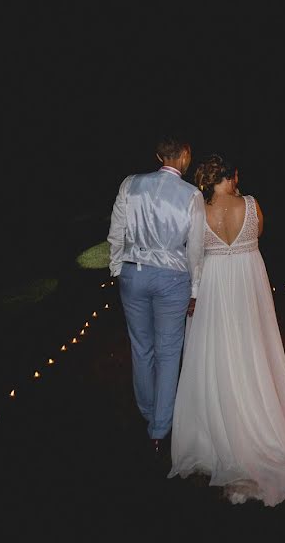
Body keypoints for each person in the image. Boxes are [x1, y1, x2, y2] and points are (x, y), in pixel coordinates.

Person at [168, 154, 285, 506]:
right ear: (233, 175)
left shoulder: (198, 209)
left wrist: (193, 292)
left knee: (215, 353)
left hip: (212, 286)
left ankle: (214, 430)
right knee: (251, 347)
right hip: (245, 284)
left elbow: (193, 254)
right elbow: (258, 234)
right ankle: (259, 419)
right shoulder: (252, 205)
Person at [107, 136, 205, 459]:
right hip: (172, 279)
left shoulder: (130, 184)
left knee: (141, 348)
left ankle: (149, 413)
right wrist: (195, 288)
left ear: (158, 155)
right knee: (167, 352)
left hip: (133, 274)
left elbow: (116, 230)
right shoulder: (192, 195)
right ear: (185, 156)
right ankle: (160, 429)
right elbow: (194, 249)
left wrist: (117, 268)